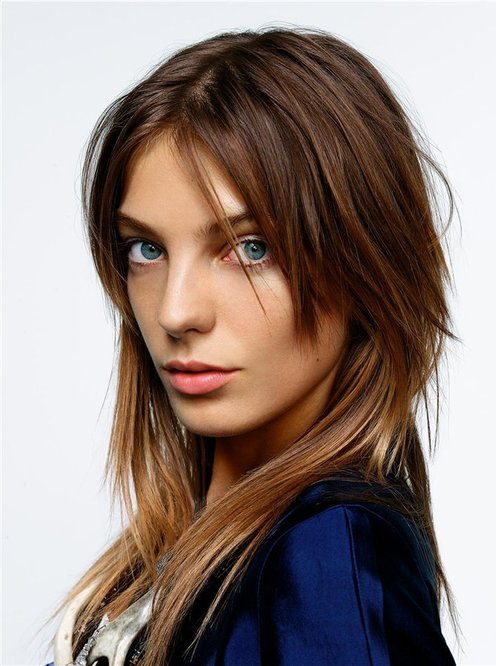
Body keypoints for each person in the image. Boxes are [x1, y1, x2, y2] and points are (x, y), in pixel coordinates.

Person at [47, 26, 459, 665]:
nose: (176, 312)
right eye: (146, 249)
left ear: (365, 266)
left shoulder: (332, 548)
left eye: (250, 248)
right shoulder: (188, 543)